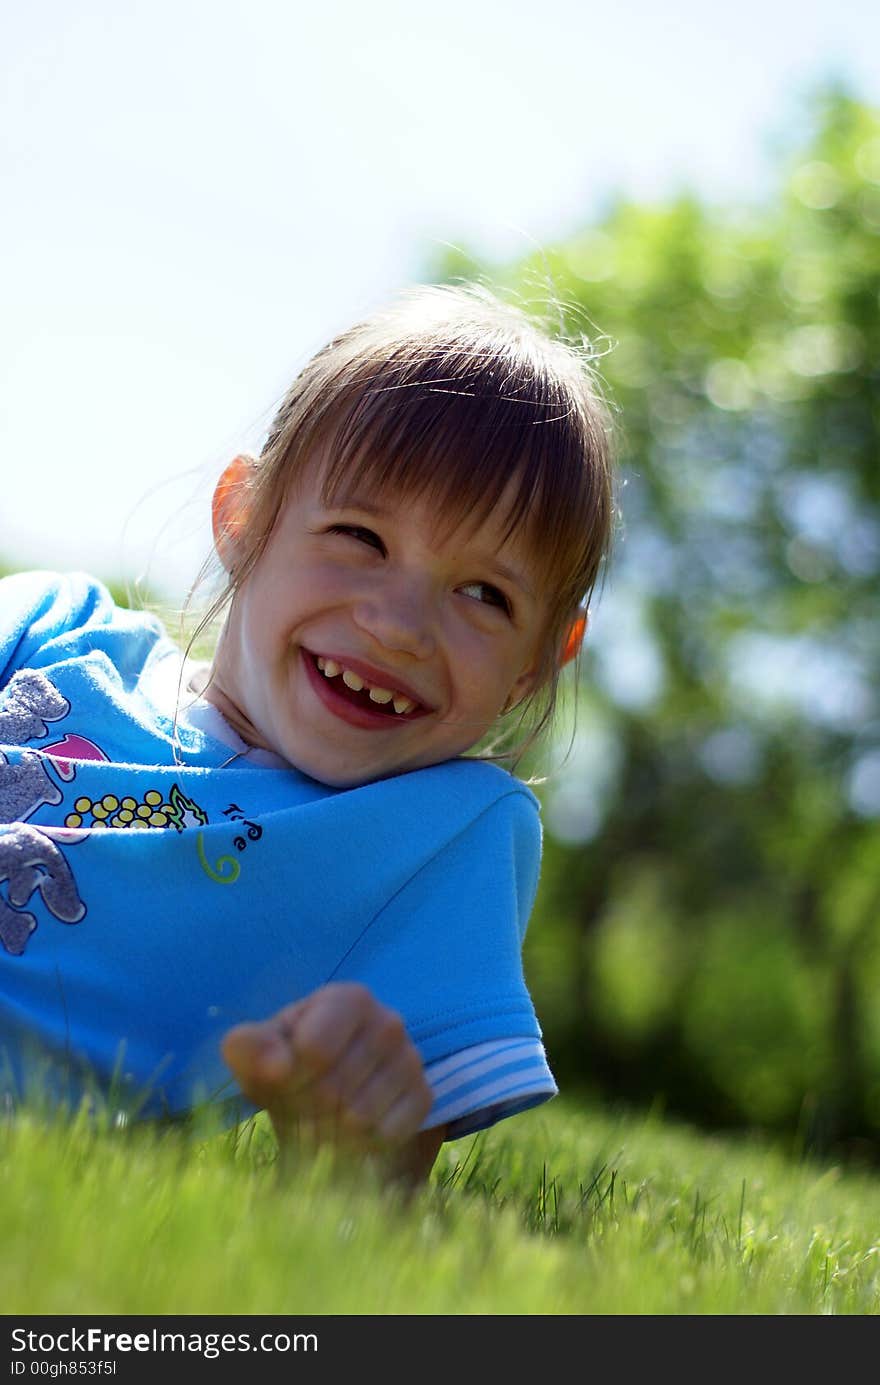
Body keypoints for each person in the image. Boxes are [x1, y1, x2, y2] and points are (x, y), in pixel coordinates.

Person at [0, 283, 614, 1185]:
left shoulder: (435, 834)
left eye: (486, 595)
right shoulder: (53, 623)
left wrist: (354, 1145)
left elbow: (372, 1181)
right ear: (244, 518)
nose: (401, 625)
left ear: (539, 662)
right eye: (361, 535)